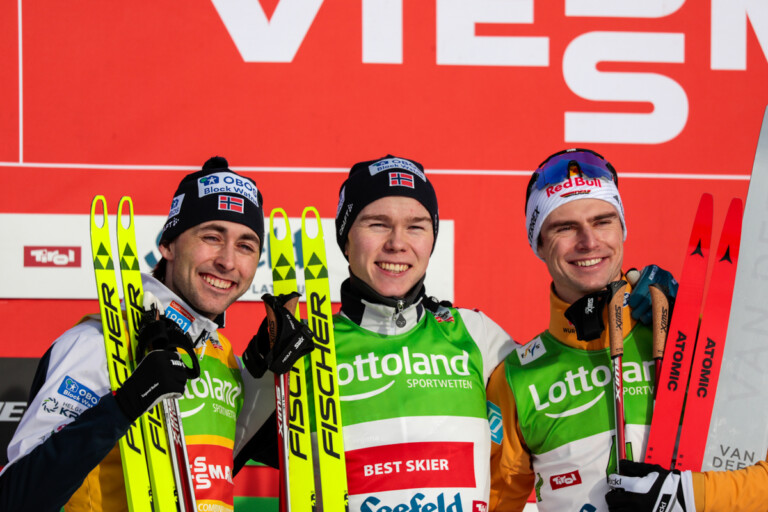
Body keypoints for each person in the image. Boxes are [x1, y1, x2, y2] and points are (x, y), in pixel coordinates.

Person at [0, 157, 313, 511]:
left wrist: (261, 374)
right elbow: (17, 498)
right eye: (211, 236)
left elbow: (202, 484)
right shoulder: (100, 342)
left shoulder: (222, 357)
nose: (227, 261)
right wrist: (125, 404)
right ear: (167, 245)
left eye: (245, 246)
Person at [317, 154, 518, 511]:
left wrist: (628, 310)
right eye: (377, 224)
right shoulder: (312, 346)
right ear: (346, 240)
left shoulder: (475, 334)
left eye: (416, 226)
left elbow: (562, 387)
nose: (397, 243)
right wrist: (259, 367)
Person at [487, 148, 678, 512]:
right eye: (565, 227)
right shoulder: (516, 379)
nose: (589, 242)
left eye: (603, 221)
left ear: (622, 228)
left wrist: (691, 494)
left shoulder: (682, 338)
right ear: (539, 244)